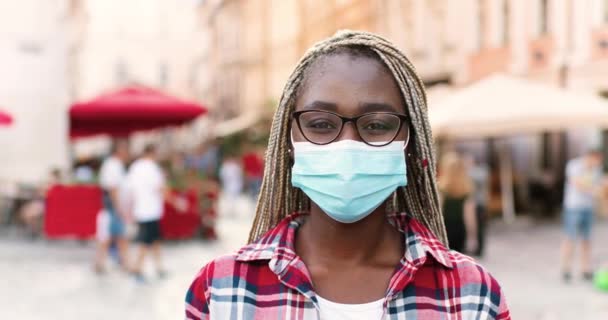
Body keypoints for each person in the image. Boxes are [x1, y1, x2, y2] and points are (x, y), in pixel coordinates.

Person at [185, 31, 509, 319]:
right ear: (290, 140)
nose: (348, 145)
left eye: (377, 125)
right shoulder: (220, 292)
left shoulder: (471, 298)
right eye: (321, 124)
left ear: (411, 144)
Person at [561, 149, 604, 282]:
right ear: (591, 157)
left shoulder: (597, 169)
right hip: (573, 207)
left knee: (587, 239)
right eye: (597, 160)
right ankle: (566, 269)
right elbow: (577, 183)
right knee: (570, 238)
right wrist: (596, 190)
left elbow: (601, 185)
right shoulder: (574, 165)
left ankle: (585, 269)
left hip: (588, 208)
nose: (598, 163)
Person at [126, 144, 167, 282]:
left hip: (140, 209)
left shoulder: (135, 167)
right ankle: (137, 269)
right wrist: (176, 201)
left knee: (154, 239)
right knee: (146, 241)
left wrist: (130, 209)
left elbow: (129, 190)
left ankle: (159, 267)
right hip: (151, 210)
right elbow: (159, 188)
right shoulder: (153, 168)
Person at [94, 140, 131, 273]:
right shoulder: (113, 165)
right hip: (114, 207)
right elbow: (113, 188)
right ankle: (123, 263)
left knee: (113, 236)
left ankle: (117, 262)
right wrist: (119, 208)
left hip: (113, 206)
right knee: (115, 236)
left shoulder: (115, 165)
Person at [439, 152, 478, 254]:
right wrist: (472, 236)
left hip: (446, 228)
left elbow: (439, 212)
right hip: (460, 228)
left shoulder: (441, 188)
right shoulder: (467, 189)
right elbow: (469, 216)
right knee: (459, 258)